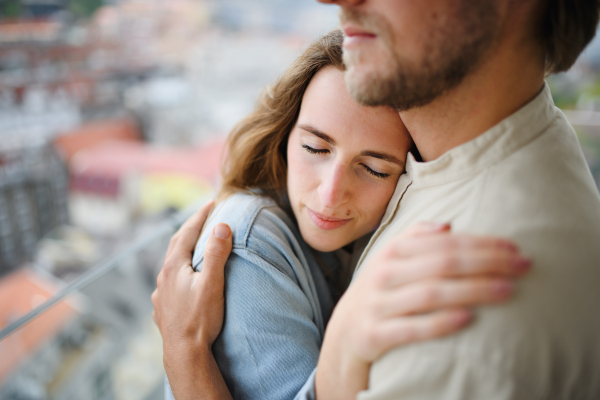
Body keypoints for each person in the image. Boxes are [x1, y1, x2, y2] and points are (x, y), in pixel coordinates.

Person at [156, 0, 600, 398]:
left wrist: (186, 358)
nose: (332, 0)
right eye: (314, 147)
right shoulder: (505, 152)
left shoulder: (467, 325)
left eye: (374, 168)